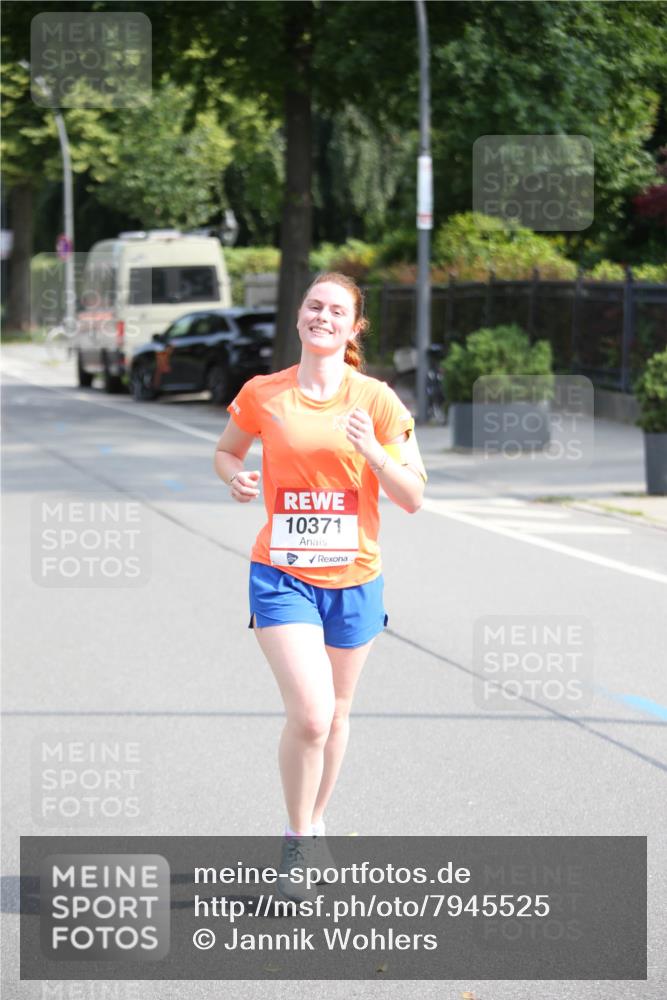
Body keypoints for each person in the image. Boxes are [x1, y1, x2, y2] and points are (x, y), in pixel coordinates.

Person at [213, 272, 426, 902]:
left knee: (336, 715)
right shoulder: (264, 393)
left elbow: (413, 497)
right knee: (309, 714)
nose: (322, 316)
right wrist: (236, 478)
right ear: (300, 317)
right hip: (281, 573)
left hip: (356, 577)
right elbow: (227, 451)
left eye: (336, 310)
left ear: (353, 327)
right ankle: (298, 837)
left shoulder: (377, 400)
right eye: (314, 306)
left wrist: (376, 453)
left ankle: (314, 818)